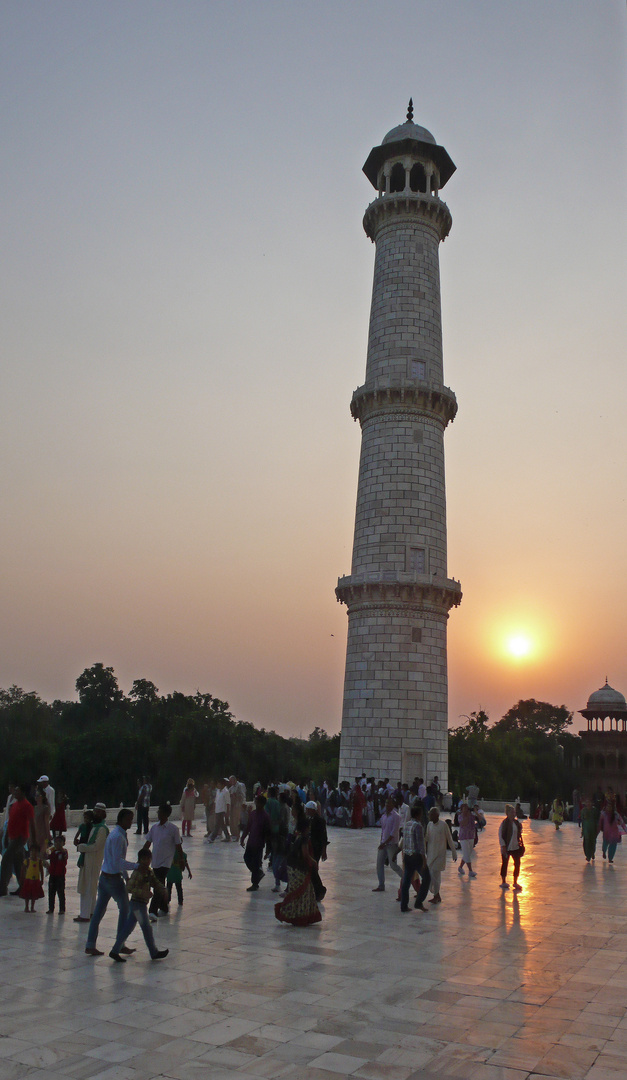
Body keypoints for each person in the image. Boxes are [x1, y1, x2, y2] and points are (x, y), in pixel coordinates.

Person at [85, 808, 137, 958]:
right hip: (113, 880)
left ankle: (90, 944)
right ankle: (119, 944)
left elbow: (115, 860)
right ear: (121, 820)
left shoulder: (115, 834)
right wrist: (135, 866)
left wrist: (126, 876)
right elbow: (118, 862)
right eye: (128, 819)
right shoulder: (118, 837)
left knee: (98, 913)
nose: (131, 822)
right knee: (125, 910)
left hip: (105, 878)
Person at [111, 849, 168, 962]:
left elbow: (155, 882)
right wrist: (144, 893)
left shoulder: (148, 871)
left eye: (148, 859)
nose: (146, 861)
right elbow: (129, 888)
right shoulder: (137, 872)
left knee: (128, 928)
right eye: (144, 859)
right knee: (146, 928)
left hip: (139, 905)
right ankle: (153, 952)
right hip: (137, 905)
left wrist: (163, 890)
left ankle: (115, 950)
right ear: (140, 860)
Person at [274, 818, 322, 927]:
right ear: (306, 828)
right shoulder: (304, 838)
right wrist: (314, 862)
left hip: (292, 867)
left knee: (300, 891)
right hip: (299, 868)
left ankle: (298, 915)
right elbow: (305, 854)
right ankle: (299, 916)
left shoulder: (298, 837)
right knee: (303, 891)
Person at [142, 802, 183, 918]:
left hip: (165, 862)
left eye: (160, 811)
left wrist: (181, 860)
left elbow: (178, 846)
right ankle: (164, 907)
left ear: (165, 814)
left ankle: (152, 911)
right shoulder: (154, 828)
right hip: (155, 861)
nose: (158, 813)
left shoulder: (173, 829)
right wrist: (142, 856)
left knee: (158, 884)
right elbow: (148, 843)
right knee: (157, 884)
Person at [75, 803, 109, 922]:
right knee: (86, 887)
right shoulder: (92, 826)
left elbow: (96, 846)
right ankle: (89, 912)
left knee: (90, 888)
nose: (95, 814)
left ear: (103, 814)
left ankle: (86, 915)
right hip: (87, 861)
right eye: (95, 811)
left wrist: (81, 847)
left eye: (98, 812)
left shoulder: (102, 829)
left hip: (94, 862)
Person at [0, 783, 35, 896]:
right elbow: (10, 822)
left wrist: (32, 840)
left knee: (5, 860)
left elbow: (31, 823)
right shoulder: (14, 805)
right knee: (19, 864)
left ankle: (2, 888)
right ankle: (23, 887)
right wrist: (5, 837)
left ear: (23, 793)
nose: (15, 793)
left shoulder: (27, 805)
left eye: (18, 791)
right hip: (12, 837)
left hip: (20, 838)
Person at [400, 804, 431, 912]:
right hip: (416, 857)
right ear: (418, 815)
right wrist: (424, 859)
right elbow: (420, 844)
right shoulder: (418, 826)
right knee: (427, 878)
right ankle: (419, 902)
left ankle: (404, 905)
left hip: (407, 856)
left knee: (406, 881)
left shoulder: (407, 824)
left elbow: (403, 841)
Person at [425, 806, 457, 904]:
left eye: (431, 814)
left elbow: (449, 838)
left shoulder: (443, 825)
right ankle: (437, 895)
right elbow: (426, 838)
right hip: (430, 854)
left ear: (437, 815)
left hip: (440, 855)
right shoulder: (429, 825)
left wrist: (453, 852)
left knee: (436, 874)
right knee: (431, 875)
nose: (429, 816)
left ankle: (436, 895)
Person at [240, 795, 271, 891]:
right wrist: (243, 838)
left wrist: (268, 849)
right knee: (247, 858)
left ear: (262, 804)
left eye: (258, 802)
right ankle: (258, 872)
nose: (256, 804)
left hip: (259, 843)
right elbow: (248, 826)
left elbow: (267, 833)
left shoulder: (266, 816)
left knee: (256, 862)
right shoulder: (253, 814)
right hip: (251, 841)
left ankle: (255, 883)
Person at [373, 797, 402, 892]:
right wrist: (381, 841)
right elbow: (383, 830)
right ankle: (381, 885)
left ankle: (406, 878)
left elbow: (393, 833)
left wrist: (384, 842)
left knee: (393, 865)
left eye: (389, 803)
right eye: (385, 803)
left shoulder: (396, 816)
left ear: (392, 805)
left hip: (391, 844)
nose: (386, 805)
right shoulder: (384, 816)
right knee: (379, 864)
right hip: (383, 843)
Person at [305, 800, 328, 902]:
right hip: (310, 847)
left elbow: (323, 837)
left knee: (313, 869)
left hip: (316, 848)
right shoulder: (309, 820)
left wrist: (324, 851)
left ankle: (320, 889)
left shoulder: (320, 821)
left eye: (308, 810)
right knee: (311, 869)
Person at [498, 804, 524, 891]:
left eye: (514, 812)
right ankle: (503, 881)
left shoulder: (516, 822)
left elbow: (519, 834)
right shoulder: (504, 823)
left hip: (515, 847)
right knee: (505, 863)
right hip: (507, 847)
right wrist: (503, 845)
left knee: (517, 864)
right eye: (512, 812)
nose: (514, 814)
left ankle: (515, 882)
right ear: (508, 813)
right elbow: (500, 835)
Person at [18, 841, 45, 912]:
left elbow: (41, 871)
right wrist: (22, 878)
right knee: (27, 895)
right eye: (32, 851)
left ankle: (32, 907)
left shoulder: (39, 862)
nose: (33, 853)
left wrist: (42, 880)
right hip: (28, 880)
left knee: (34, 895)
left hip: (36, 880)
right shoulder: (27, 861)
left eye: (35, 851)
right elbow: (23, 870)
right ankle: (26, 907)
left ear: (38, 853)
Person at [45, 834, 68, 914]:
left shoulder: (64, 852)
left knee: (61, 892)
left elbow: (64, 857)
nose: (57, 844)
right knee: (51, 892)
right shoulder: (53, 852)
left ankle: (62, 909)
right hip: (53, 875)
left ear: (63, 843)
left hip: (60, 875)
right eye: (55, 842)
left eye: (59, 842)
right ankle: (51, 908)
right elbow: (46, 855)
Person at [457, 803, 477, 878]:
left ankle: (460, 867)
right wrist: (467, 817)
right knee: (466, 854)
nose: (465, 811)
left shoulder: (472, 816)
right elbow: (463, 823)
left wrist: (476, 812)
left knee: (467, 854)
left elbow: (481, 819)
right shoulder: (460, 816)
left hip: (471, 836)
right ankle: (470, 871)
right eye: (464, 809)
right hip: (463, 837)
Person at [33, 787, 51, 856]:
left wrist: (48, 835)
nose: (36, 797)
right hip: (35, 835)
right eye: (35, 795)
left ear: (42, 797)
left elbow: (46, 823)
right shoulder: (34, 808)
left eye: (38, 795)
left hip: (43, 834)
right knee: (35, 855)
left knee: (42, 855)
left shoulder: (45, 808)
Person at [581, 796, 599, 862]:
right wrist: (582, 831)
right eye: (587, 802)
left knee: (593, 842)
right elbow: (583, 821)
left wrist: (597, 829)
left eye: (589, 802)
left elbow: (597, 820)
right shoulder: (583, 811)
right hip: (586, 828)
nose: (588, 803)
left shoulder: (595, 811)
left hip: (593, 828)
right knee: (586, 842)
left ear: (592, 803)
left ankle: (592, 853)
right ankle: (587, 855)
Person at [228, 775, 246, 841]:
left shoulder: (240, 786)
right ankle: (233, 833)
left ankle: (237, 834)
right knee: (232, 820)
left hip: (237, 805)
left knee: (236, 821)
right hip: (232, 805)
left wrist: (236, 795)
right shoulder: (231, 788)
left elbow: (242, 795)